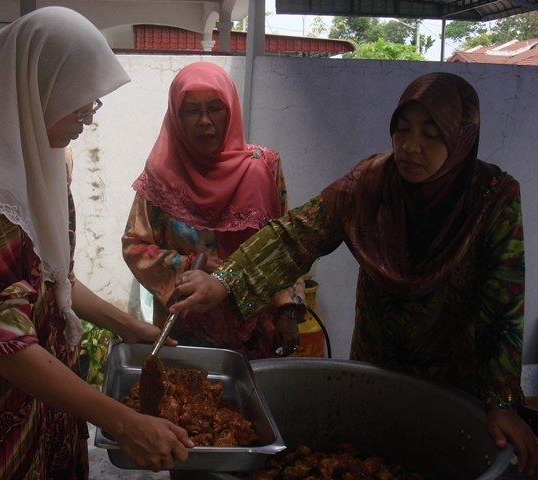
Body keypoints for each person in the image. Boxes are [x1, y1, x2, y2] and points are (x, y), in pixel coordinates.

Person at [169, 72, 538, 475]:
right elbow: (296, 235)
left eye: (432, 134)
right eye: (402, 128)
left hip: (455, 374)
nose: (410, 146)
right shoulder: (370, 182)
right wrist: (226, 281)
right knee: (367, 456)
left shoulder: (492, 198)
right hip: (378, 363)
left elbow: (504, 305)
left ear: (462, 137)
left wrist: (500, 402)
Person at [0, 7, 192, 479]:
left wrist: (127, 326)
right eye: (80, 105)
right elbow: (7, 346)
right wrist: (124, 422)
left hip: (36, 404)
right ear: (35, 90)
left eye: (92, 106)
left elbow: (54, 279)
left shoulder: (40, 171)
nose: (87, 120)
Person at [122, 62, 304, 360]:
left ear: (230, 110)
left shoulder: (264, 166)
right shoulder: (160, 177)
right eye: (192, 110)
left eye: (215, 109)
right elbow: (135, 247)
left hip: (256, 331)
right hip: (187, 331)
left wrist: (289, 308)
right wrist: (192, 265)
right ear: (176, 116)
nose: (204, 121)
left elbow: (286, 243)